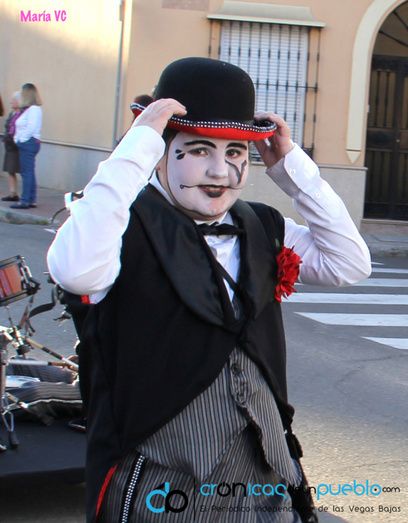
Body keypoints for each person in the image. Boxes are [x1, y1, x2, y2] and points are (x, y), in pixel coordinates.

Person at [47, 57, 371, 523]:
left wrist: (293, 170)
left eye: (236, 152)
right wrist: (136, 147)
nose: (220, 171)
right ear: (160, 152)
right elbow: (75, 272)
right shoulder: (115, 225)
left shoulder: (261, 224)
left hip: (264, 477)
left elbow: (349, 263)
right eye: (199, 150)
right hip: (160, 484)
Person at [10, 83, 42, 210]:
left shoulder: (34, 110)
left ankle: (25, 201)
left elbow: (31, 128)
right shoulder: (29, 109)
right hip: (28, 142)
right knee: (29, 172)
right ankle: (31, 199)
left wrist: (21, 140)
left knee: (26, 172)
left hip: (28, 143)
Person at [2, 92, 21, 202]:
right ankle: (12, 193)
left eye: (13, 100)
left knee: (18, 169)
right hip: (9, 144)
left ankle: (20, 194)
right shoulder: (12, 113)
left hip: (16, 145)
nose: (11, 102)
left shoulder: (22, 114)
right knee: (10, 169)